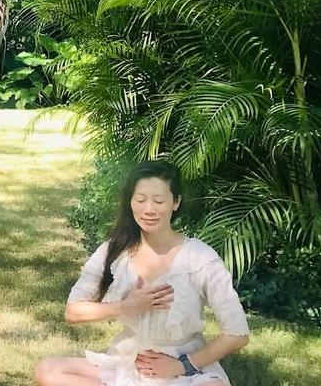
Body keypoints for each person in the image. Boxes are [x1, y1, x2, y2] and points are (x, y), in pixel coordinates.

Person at [35, 161, 250, 385]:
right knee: (48, 370)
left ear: (176, 202)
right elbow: (73, 312)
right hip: (131, 361)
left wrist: (182, 365)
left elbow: (237, 334)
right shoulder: (115, 250)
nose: (149, 209)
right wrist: (127, 306)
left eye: (159, 201)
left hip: (184, 366)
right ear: (130, 202)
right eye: (140, 200)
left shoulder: (200, 258)